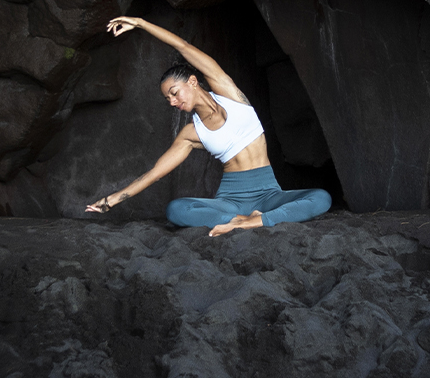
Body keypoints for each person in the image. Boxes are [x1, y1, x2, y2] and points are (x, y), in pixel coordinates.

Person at [85, 15, 332, 236]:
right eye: (167, 99)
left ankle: (252, 221)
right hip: (230, 202)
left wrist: (141, 23)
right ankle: (244, 220)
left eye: (174, 93)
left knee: (321, 198)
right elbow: (155, 173)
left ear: (192, 81)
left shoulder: (230, 94)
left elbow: (183, 47)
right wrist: (112, 200)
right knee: (177, 209)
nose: (172, 102)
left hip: (269, 194)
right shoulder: (191, 134)